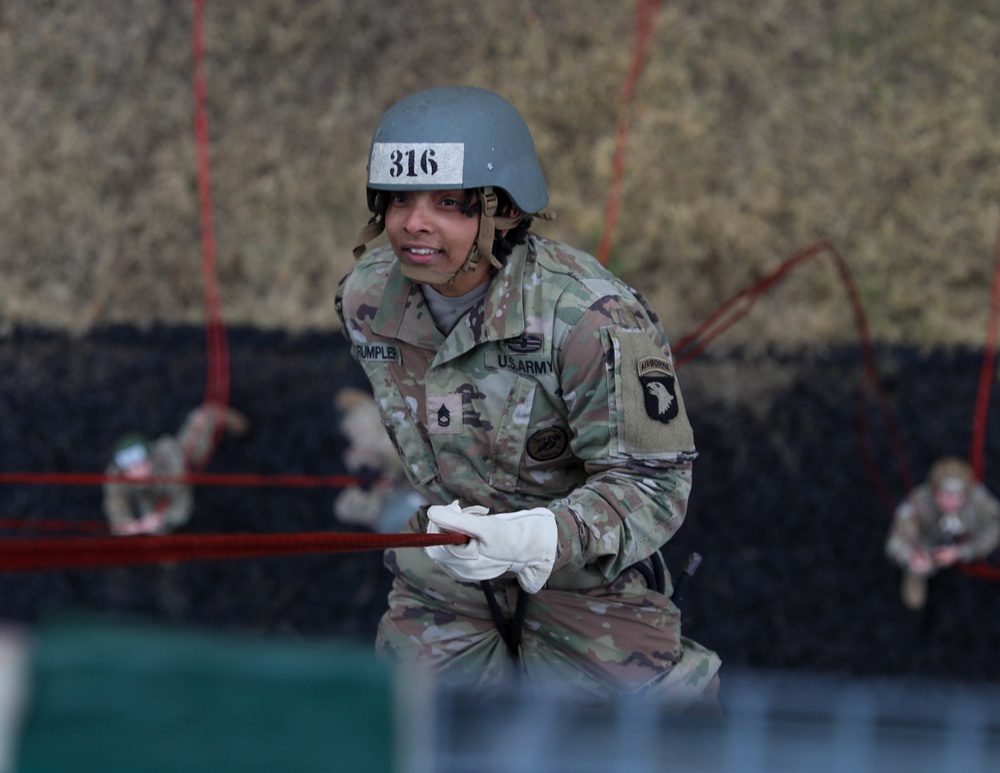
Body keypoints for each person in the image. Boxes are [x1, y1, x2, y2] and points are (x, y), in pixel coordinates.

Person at [336, 85, 720, 707]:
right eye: (398, 198)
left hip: (582, 573)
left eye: (450, 203)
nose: (413, 223)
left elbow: (654, 487)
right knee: (414, 731)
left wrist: (539, 538)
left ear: (504, 212)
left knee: (639, 740)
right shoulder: (367, 300)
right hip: (447, 565)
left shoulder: (590, 318)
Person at [103, 402, 250, 536]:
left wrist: (164, 519)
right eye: (129, 468)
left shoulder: (170, 457)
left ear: (150, 458)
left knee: (205, 418)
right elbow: (115, 502)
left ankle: (241, 426)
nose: (136, 471)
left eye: (140, 464)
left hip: (184, 465)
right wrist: (123, 523)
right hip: (151, 495)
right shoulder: (116, 473)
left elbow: (182, 502)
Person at [885, 456, 1000, 610]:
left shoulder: (979, 499)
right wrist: (909, 557)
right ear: (933, 491)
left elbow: (995, 524)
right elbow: (895, 540)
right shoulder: (917, 501)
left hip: (966, 538)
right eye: (945, 495)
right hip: (929, 543)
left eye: (958, 496)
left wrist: (964, 551)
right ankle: (917, 574)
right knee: (917, 567)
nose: (951, 502)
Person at [332, 387, 428, 533]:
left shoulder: (374, 413)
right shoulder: (359, 423)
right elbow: (364, 454)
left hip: (413, 478)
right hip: (396, 494)